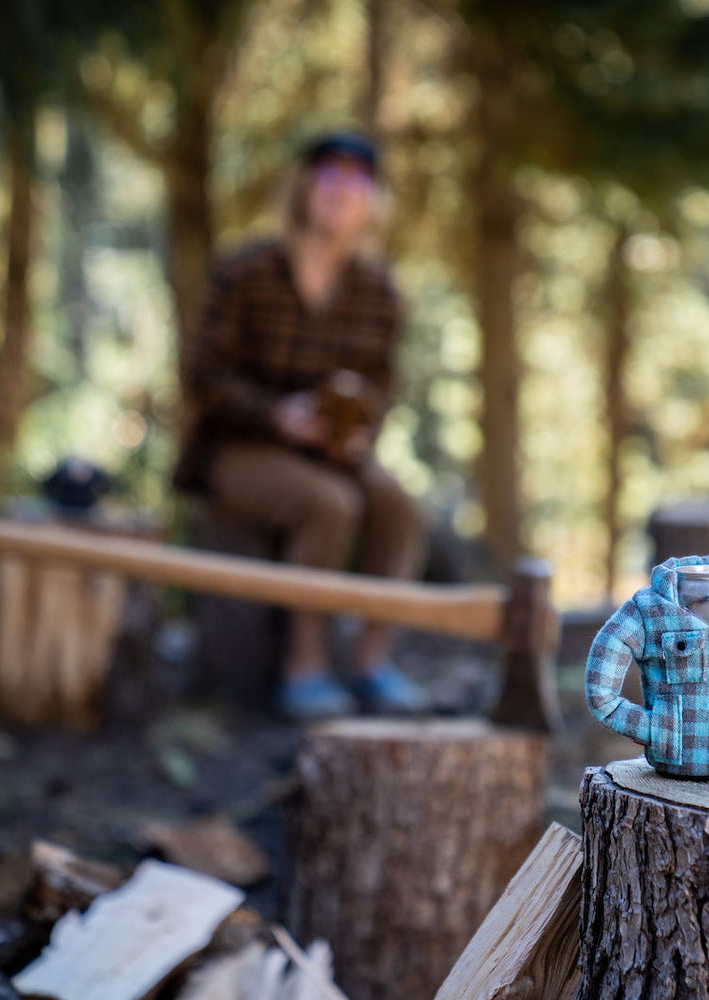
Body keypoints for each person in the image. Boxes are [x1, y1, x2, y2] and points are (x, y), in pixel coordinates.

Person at [173, 131, 427, 720]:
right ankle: (303, 667)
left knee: (398, 505)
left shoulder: (379, 291)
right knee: (328, 504)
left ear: (373, 202)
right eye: (329, 178)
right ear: (304, 188)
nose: (342, 193)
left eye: (357, 182)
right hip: (237, 449)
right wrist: (276, 416)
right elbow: (203, 376)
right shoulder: (245, 270)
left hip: (333, 449)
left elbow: (382, 386)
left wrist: (362, 427)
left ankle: (371, 661)